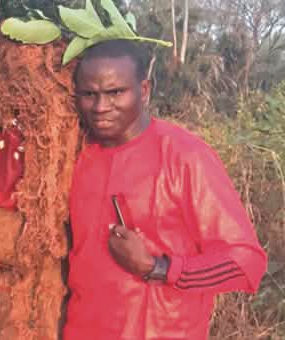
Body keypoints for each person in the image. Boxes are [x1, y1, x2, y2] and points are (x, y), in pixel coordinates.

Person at [64, 40, 268, 339]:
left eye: (115, 92)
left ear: (144, 91)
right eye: (88, 94)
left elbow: (246, 262)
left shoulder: (185, 156)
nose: (100, 107)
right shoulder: (72, 157)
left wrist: (157, 267)